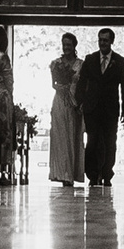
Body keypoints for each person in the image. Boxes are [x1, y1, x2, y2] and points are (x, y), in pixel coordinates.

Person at [76, 28, 124, 186]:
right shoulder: (90, 59)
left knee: (110, 142)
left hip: (110, 109)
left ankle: (107, 174)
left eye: (105, 40)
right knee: (92, 141)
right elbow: (82, 82)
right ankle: (92, 175)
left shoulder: (120, 61)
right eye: (100, 40)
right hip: (92, 108)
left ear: (111, 41)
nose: (102, 43)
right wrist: (79, 102)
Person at [47, 33, 84, 186]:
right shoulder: (56, 63)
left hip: (74, 103)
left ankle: (72, 173)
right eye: (64, 44)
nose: (66, 47)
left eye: (69, 44)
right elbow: (53, 84)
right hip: (60, 102)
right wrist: (60, 87)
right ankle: (62, 173)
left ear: (74, 46)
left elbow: (83, 85)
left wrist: (80, 103)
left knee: (73, 135)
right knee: (60, 136)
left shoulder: (81, 64)